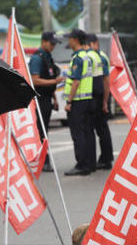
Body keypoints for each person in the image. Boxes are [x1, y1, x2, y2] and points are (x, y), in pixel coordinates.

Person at [29, 31, 65, 172]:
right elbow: (35, 79)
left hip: (47, 98)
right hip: (39, 99)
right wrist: (55, 81)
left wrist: (55, 98)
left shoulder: (48, 57)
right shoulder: (37, 58)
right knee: (41, 131)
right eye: (51, 43)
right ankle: (43, 161)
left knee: (45, 131)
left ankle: (44, 159)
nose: (53, 46)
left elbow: (50, 82)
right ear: (43, 41)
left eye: (55, 44)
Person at [63, 29, 95, 176]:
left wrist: (69, 101)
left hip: (78, 101)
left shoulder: (78, 58)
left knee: (78, 134)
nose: (68, 41)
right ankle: (89, 164)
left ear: (75, 40)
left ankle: (81, 164)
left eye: (70, 38)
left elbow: (76, 81)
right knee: (86, 132)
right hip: (87, 99)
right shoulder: (87, 57)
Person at [85, 34, 114, 170]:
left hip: (99, 97)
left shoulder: (99, 57)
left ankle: (105, 159)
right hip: (100, 97)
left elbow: (106, 80)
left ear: (95, 44)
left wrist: (105, 102)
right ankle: (105, 158)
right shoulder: (100, 56)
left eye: (89, 45)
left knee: (100, 129)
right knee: (101, 129)